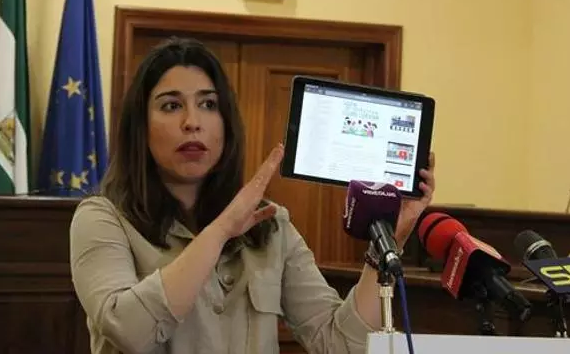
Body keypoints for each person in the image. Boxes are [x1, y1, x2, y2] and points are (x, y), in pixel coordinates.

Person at [70, 37, 436, 354]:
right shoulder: (102, 218)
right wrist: (221, 230)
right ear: (140, 126)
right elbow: (129, 331)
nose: (192, 122)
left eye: (208, 104)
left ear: (227, 124)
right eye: (171, 105)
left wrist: (387, 242)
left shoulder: (271, 225)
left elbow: (338, 343)